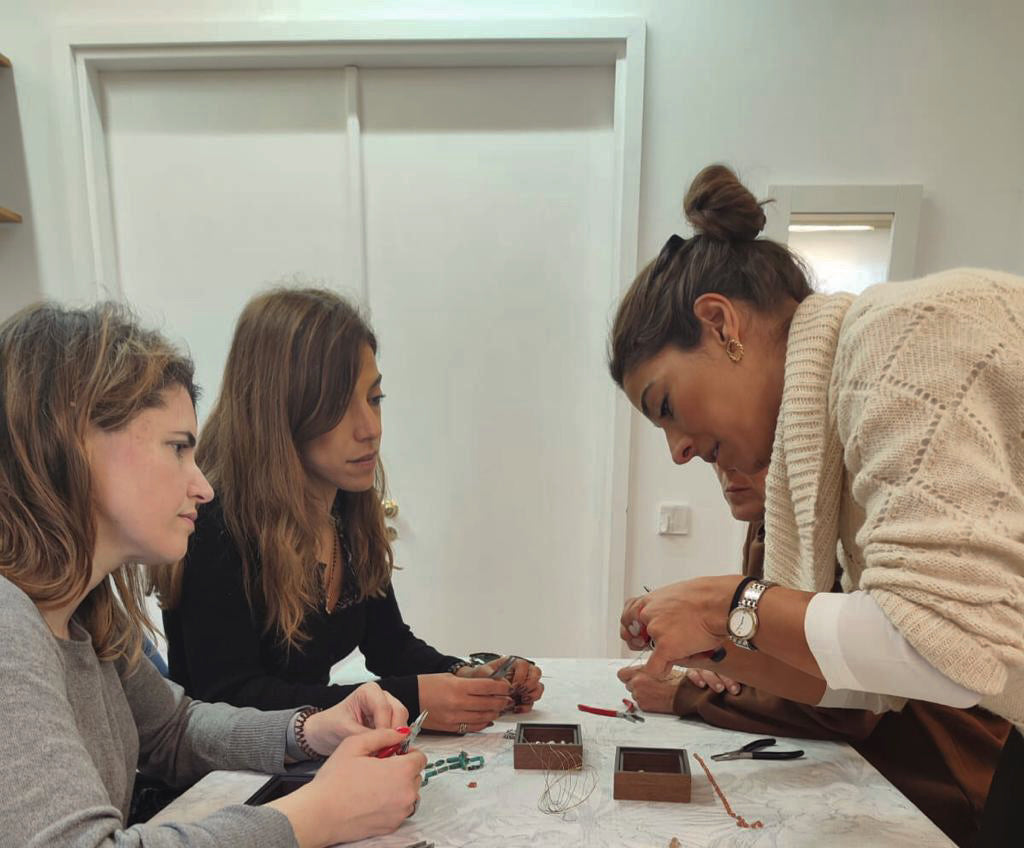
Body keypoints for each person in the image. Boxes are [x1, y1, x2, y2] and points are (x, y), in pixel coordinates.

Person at [610, 163, 1024, 844]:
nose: (678, 451)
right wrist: (719, 644)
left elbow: (950, 648)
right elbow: (864, 685)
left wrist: (727, 605)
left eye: (666, 406)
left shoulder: (903, 337)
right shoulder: (834, 437)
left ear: (719, 324)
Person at [0, 302, 426, 847]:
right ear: (69, 444)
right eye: (177, 448)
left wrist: (309, 728)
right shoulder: (10, 628)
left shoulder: (88, 608)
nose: (202, 486)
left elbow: (174, 730)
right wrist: (314, 815)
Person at [153, 288, 543, 735]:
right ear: (281, 409)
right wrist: (412, 697)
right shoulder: (214, 525)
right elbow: (231, 698)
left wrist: (467, 675)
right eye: (340, 406)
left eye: (374, 399)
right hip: (226, 781)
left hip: (309, 763)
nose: (370, 429)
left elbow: (390, 646)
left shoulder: (346, 507)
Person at [619, 463, 1009, 846]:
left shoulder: (847, 517)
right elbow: (827, 679)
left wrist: (698, 677)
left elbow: (858, 698)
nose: (682, 452)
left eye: (671, 410)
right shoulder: (768, 525)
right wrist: (712, 652)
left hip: (937, 792)